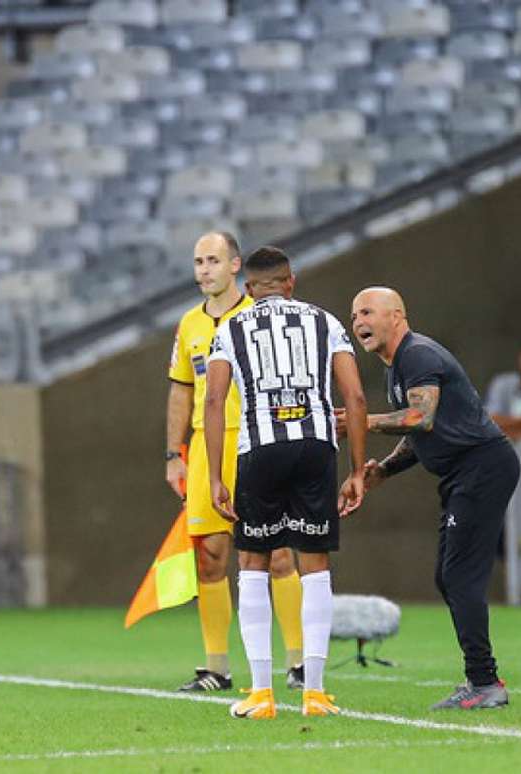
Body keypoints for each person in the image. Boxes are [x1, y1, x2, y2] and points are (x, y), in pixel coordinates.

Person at [205, 246, 367, 720]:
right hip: (316, 447)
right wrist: (358, 469)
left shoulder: (231, 327)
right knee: (313, 563)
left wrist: (215, 476)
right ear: (291, 282)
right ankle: (314, 693)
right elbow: (354, 395)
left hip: (259, 449)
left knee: (253, 561)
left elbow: (214, 401)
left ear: (249, 290)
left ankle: (261, 693)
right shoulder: (326, 321)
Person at [342, 287, 520, 710]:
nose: (358, 323)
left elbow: (420, 418)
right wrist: (384, 469)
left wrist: (358, 421)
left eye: (367, 312)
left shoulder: (418, 354)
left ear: (397, 316)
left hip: (482, 468)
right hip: (466, 473)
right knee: (449, 577)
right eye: (353, 316)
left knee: (459, 577)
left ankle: (485, 681)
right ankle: (481, 677)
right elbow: (419, 433)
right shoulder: (397, 366)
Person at [166, 232, 306, 692]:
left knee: (279, 550)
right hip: (207, 450)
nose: (203, 269)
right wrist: (174, 455)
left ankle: (299, 660)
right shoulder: (188, 325)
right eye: (198, 261)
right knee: (210, 557)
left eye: (213, 260)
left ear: (235, 266)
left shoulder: (260, 316)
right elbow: (181, 389)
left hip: (258, 441)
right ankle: (217, 667)